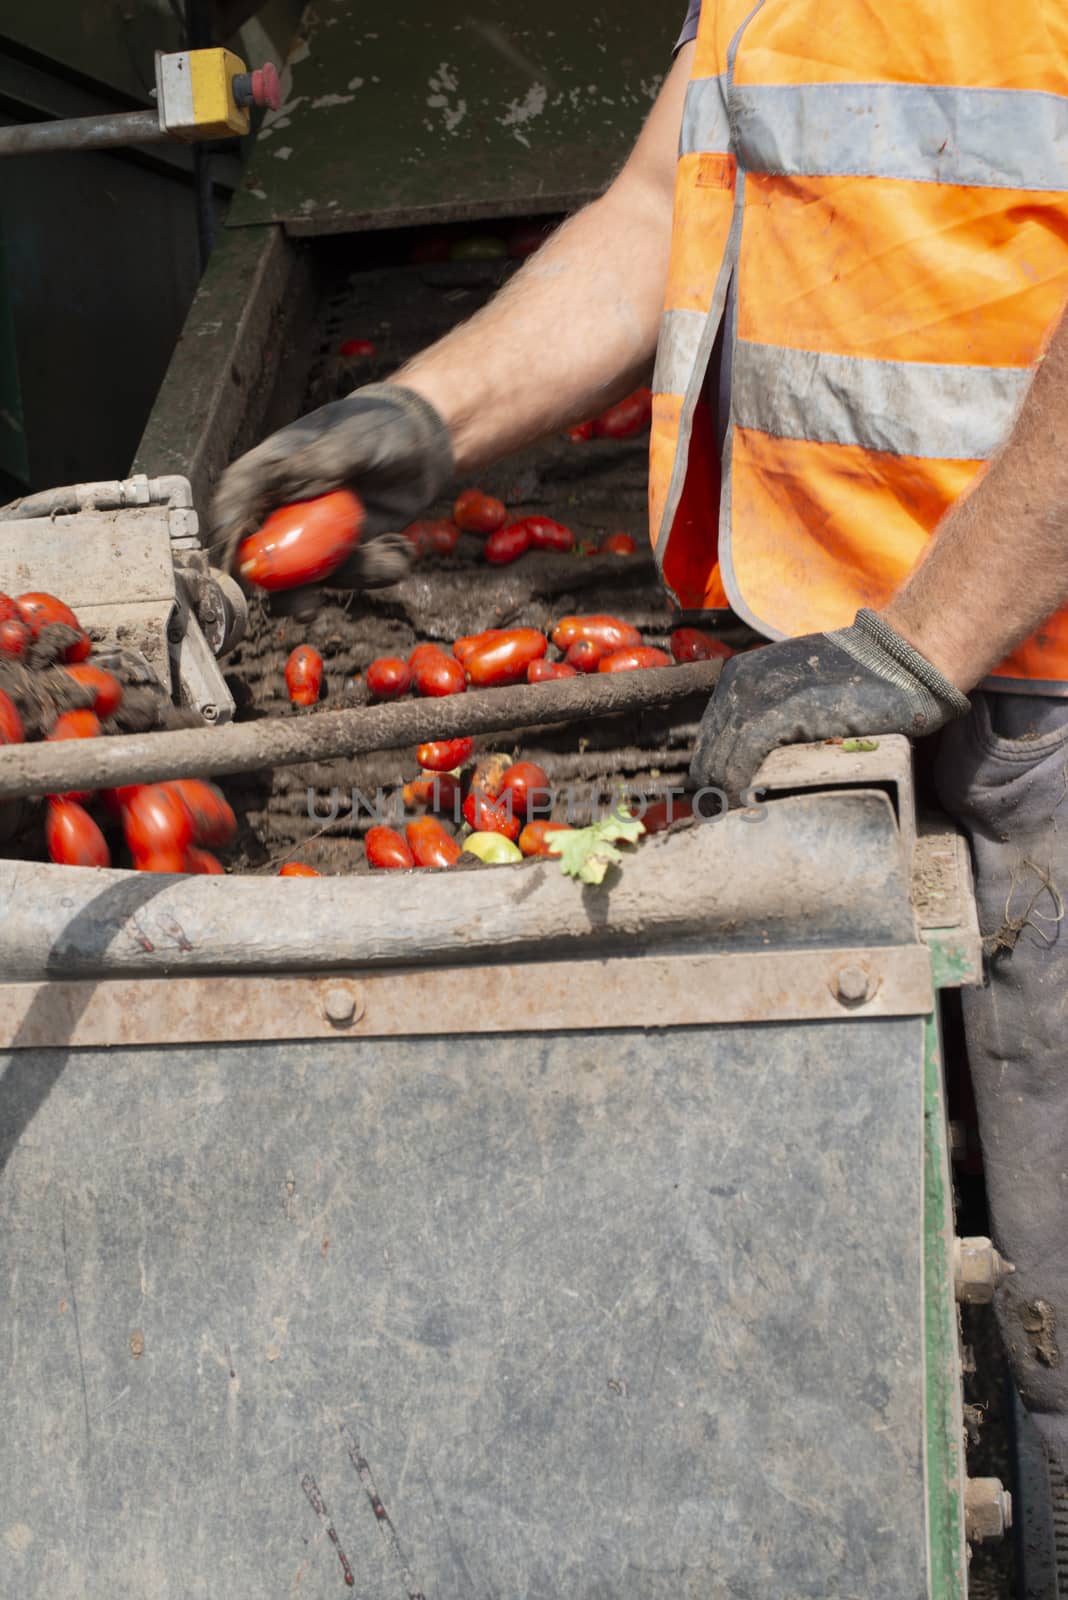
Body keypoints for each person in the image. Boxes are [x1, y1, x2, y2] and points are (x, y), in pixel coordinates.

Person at [213, 3, 1068, 1471]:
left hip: (1033, 685)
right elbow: (664, 207)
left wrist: (921, 645)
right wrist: (427, 417)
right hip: (845, 667)